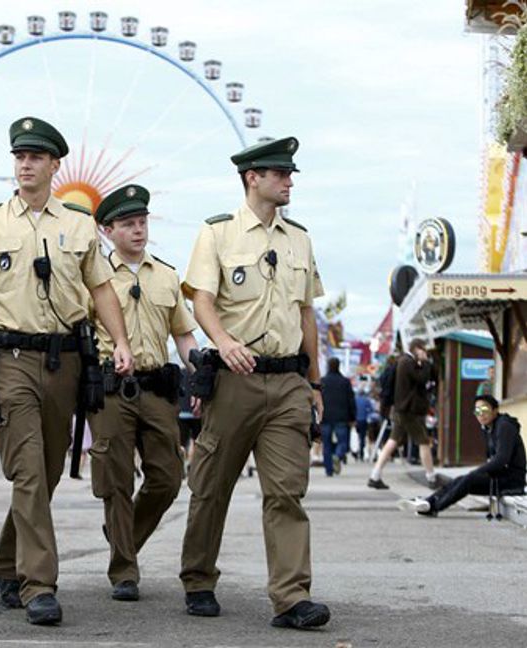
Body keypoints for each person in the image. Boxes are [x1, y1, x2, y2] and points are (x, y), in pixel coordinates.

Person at [0, 116, 134, 626]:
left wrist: (121, 341)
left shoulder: (80, 225)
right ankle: (38, 584)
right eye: (19, 157)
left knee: (45, 473)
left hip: (66, 363)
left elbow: (101, 289)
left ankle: (7, 562)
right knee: (26, 468)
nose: (25, 165)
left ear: (54, 165)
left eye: (36, 157)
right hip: (10, 362)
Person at [179, 136, 331, 629]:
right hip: (234, 381)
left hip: (287, 382)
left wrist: (314, 383)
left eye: (290, 175)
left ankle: (291, 598)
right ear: (253, 178)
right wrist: (223, 341)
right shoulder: (217, 233)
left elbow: (306, 314)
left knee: (287, 492)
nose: (289, 182)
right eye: (281, 174)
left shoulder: (300, 239)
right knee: (211, 486)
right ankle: (198, 578)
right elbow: (201, 300)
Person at [87, 185, 199, 602]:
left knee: (168, 477)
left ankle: (124, 537)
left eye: (142, 222)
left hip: (157, 389)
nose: (138, 230)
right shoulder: (94, 277)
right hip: (111, 390)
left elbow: (183, 334)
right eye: (128, 224)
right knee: (115, 479)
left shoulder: (166, 276)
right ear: (107, 230)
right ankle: (124, 571)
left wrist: (198, 375)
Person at [398, 395, 525, 516]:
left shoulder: (504, 426)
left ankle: (433, 507)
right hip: (500, 477)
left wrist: (478, 472)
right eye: (477, 411)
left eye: (485, 409)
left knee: (469, 479)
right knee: (461, 479)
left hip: (511, 481)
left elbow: (501, 459)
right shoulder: (489, 428)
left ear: (495, 410)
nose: (481, 414)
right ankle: (429, 501)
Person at [368, 339, 436, 490]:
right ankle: (431, 477)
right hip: (409, 411)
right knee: (423, 441)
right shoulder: (407, 362)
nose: (425, 353)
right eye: (423, 350)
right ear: (416, 349)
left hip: (401, 408)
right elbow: (422, 378)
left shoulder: (403, 361)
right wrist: (425, 363)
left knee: (393, 440)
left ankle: (375, 475)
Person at [320, 357, 355, 476]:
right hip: (342, 417)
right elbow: (351, 400)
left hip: (325, 417)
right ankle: (338, 455)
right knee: (343, 442)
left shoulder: (322, 381)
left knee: (326, 444)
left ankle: (329, 470)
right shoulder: (345, 382)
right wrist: (352, 417)